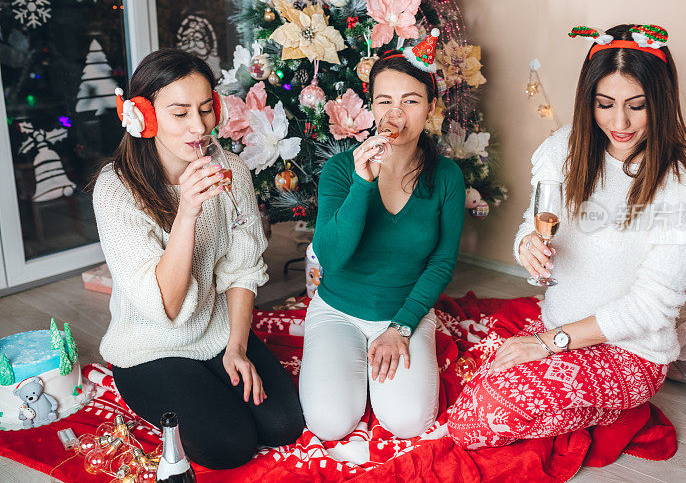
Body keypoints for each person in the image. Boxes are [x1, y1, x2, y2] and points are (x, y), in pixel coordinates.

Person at [448, 24, 686, 448]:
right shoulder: (565, 147)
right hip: (556, 324)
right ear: (589, 101)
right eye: (605, 104)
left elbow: (650, 309)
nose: (620, 123)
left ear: (662, 101)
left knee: (476, 420)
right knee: (462, 375)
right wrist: (527, 245)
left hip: (629, 351)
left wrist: (547, 344)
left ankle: (614, 404)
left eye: (637, 106)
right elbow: (535, 221)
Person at [91, 48, 303, 469]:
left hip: (218, 332)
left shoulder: (232, 172)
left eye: (206, 110)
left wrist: (238, 347)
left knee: (285, 425)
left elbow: (242, 266)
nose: (199, 127)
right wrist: (187, 213)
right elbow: (165, 307)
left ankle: (217, 370)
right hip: (151, 347)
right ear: (142, 118)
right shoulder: (116, 192)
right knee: (229, 446)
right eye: (180, 113)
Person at [299, 37, 466, 441]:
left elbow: (442, 262)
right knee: (329, 423)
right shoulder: (342, 169)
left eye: (410, 101)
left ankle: (385, 372)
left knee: (408, 421)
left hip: (404, 314)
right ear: (371, 107)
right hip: (337, 309)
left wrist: (403, 327)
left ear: (429, 108)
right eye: (384, 101)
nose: (396, 114)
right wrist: (362, 184)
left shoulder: (446, 177)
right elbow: (330, 257)